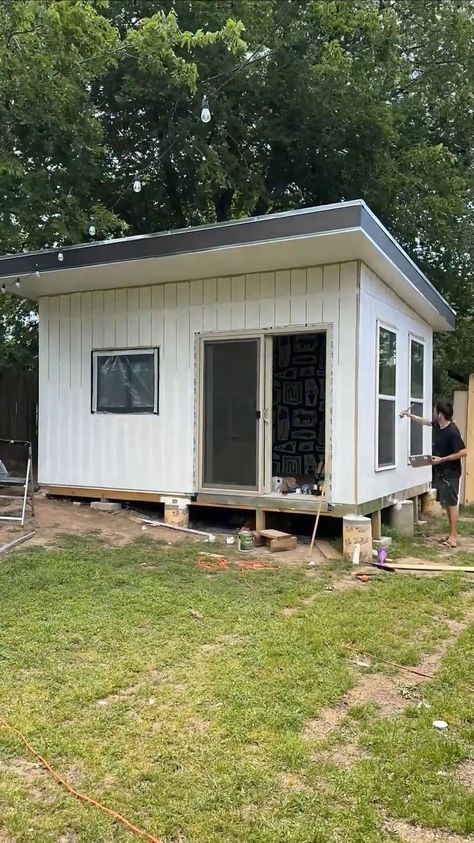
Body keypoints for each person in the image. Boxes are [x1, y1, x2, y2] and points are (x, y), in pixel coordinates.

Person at [401, 399, 467, 547]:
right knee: (448, 504)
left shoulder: (452, 431)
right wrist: (409, 416)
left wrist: (442, 459)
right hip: (442, 471)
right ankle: (450, 534)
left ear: (441, 414)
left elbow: (464, 452)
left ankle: (454, 537)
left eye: (434, 411)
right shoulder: (439, 425)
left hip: (451, 473)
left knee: (452, 503)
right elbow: (426, 422)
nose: (433, 413)